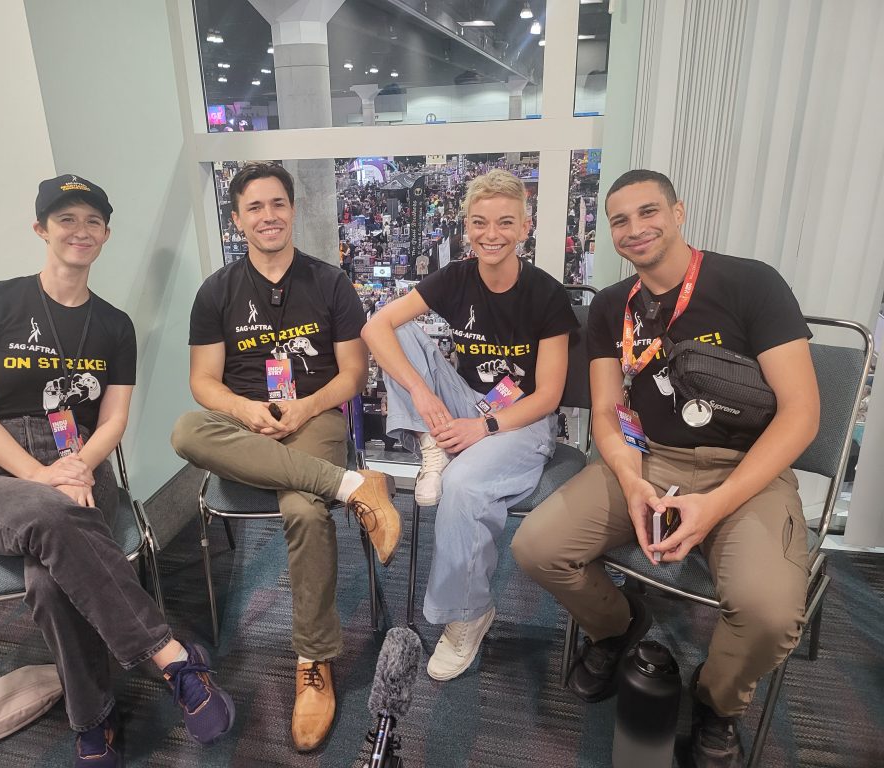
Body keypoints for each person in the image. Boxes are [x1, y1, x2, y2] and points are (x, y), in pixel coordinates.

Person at [512, 169, 818, 768]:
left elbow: (802, 415)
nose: (635, 229)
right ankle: (618, 627)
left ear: (679, 212)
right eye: (619, 220)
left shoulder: (750, 283)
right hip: (648, 458)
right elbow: (606, 410)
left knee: (768, 612)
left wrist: (718, 503)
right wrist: (629, 479)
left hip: (745, 468)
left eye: (648, 212)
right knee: (536, 547)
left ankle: (716, 704)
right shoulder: (610, 306)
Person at [0, 174, 234, 767]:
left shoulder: (114, 325)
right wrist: (39, 474)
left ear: (105, 234)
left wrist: (77, 466)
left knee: (50, 579)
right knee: (51, 515)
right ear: (41, 228)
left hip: (79, 455)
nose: (79, 231)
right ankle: (170, 657)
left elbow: (114, 418)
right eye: (65, 219)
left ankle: (92, 718)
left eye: (91, 221)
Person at [169, 162, 401, 752]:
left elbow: (354, 374)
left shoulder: (330, 283)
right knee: (186, 431)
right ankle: (354, 487)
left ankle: (314, 664)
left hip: (314, 415)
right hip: (242, 420)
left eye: (278, 204)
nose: (268, 216)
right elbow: (203, 381)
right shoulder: (216, 291)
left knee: (303, 511)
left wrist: (304, 409)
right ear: (238, 218)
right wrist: (248, 412)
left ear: (292, 211)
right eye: (255, 207)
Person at [361, 169, 577, 681]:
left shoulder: (546, 295)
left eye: (505, 222)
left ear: (524, 227)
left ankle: (468, 615)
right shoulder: (456, 276)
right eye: (479, 223)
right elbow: (375, 326)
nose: (491, 234)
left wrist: (485, 429)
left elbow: (547, 396)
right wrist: (420, 391)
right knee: (399, 337)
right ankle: (432, 445)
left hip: (523, 420)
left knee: (460, 487)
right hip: (465, 403)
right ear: (466, 227)